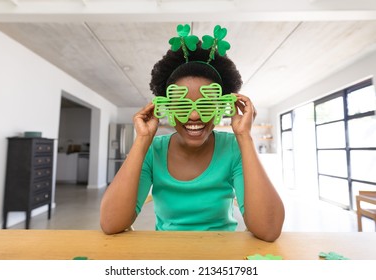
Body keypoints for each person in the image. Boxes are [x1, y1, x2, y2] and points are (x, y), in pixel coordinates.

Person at [100, 24, 285, 242]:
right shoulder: (153, 151)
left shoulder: (233, 148)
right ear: (167, 107)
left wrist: (245, 136)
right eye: (182, 105)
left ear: (220, 106)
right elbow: (111, 223)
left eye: (206, 105)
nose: (195, 116)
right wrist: (142, 141)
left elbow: (269, 229)